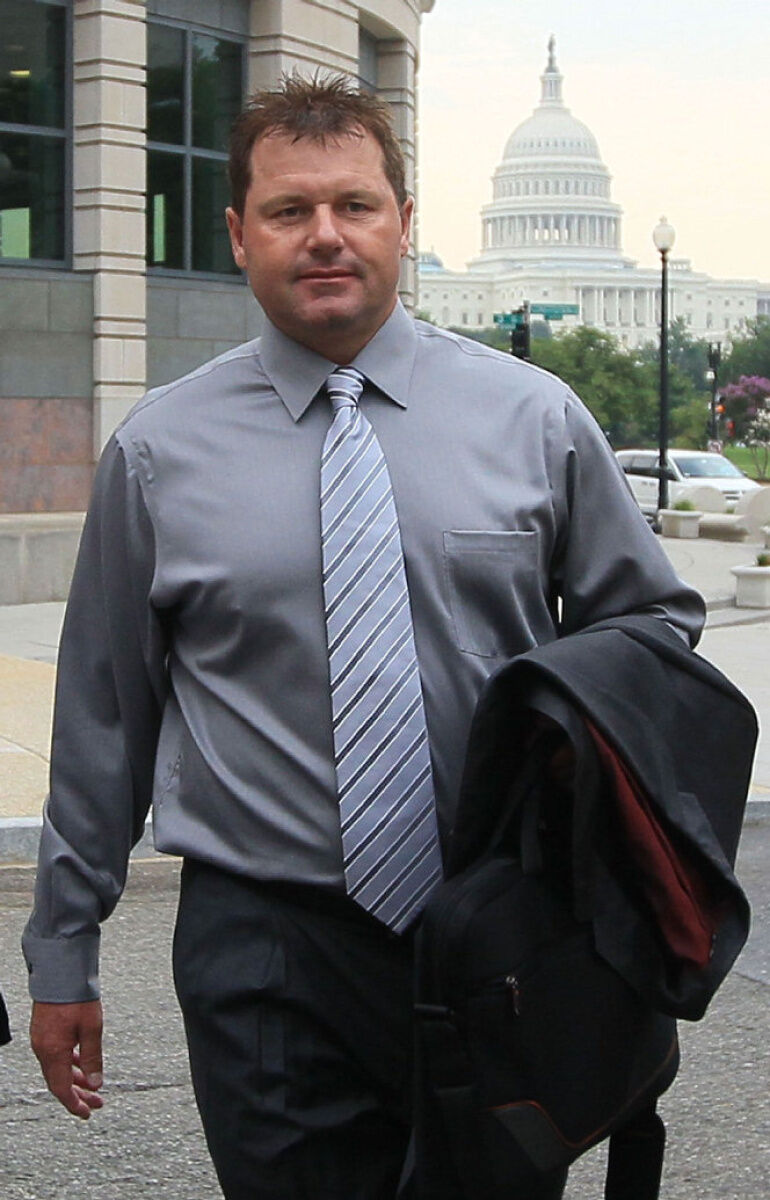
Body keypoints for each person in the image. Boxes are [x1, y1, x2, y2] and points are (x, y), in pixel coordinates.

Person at [23, 75, 705, 1199]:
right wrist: (62, 952)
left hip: (497, 930)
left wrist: (560, 761)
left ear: (402, 222)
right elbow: (103, 718)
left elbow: (651, 625)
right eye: (289, 211)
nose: (325, 235)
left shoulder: (535, 421)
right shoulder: (159, 453)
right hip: (264, 948)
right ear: (239, 234)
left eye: (355, 204)